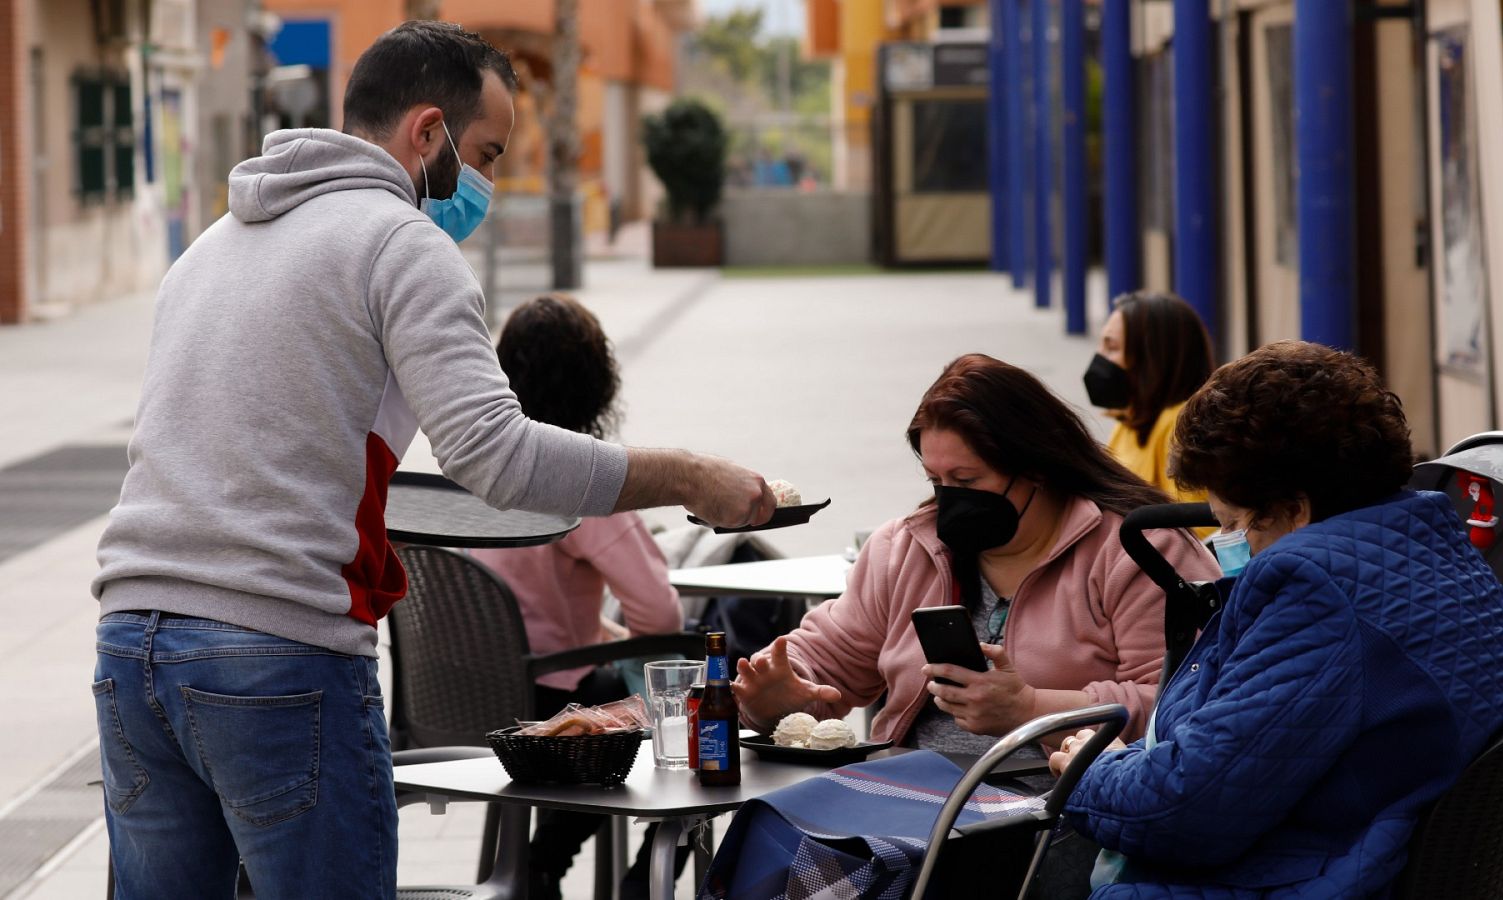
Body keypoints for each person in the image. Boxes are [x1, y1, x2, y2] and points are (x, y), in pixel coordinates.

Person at [90, 21, 774, 900]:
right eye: (485, 153)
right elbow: (497, 457)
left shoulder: (207, 251)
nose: (486, 181)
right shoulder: (402, 243)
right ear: (427, 132)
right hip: (278, 651)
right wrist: (687, 474)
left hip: (131, 644)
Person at [1051, 341, 1503, 898]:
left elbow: (1184, 810)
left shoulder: (1317, 589)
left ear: (1293, 509)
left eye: (1234, 524)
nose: (1230, 544)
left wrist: (1089, 770)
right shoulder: (1430, 548)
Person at [732, 353, 1219, 760]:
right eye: (936, 481)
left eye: (966, 481)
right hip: (912, 800)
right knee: (771, 836)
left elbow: (1188, 704)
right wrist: (780, 695)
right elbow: (828, 658)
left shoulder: (1141, 551)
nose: (948, 499)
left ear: (1037, 467)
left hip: (1061, 811)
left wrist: (1030, 709)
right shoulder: (907, 549)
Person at [470, 295, 686, 898]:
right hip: (553, 711)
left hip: (464, 697)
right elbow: (660, 616)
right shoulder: (586, 482)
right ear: (598, 383)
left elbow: (510, 605)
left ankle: (536, 865)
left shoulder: (470, 469)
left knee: (616, 681)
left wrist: (598, 632)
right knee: (696, 704)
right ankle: (627, 876)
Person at [1084, 291, 1215, 505]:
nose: (1100, 358)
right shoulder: (1130, 418)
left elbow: (1194, 519)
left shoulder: (1179, 427)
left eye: (1112, 347)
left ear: (1152, 357)